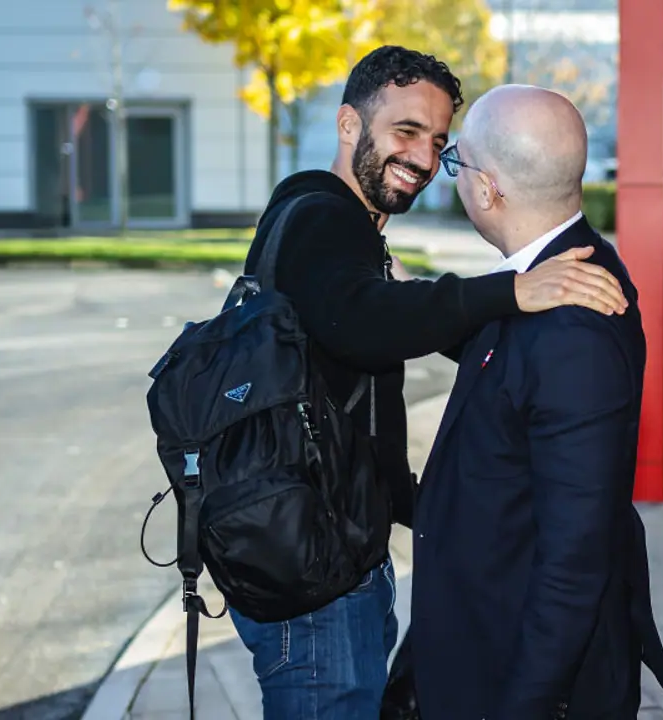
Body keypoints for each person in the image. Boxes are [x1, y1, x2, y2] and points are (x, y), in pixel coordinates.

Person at [231, 47, 630, 719]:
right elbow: (362, 322)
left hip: (322, 553)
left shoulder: (327, 220)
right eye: (406, 131)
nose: (423, 156)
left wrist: (434, 508)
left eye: (440, 142)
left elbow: (364, 368)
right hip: (314, 575)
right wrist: (511, 291)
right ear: (349, 125)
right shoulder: (324, 218)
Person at [408, 84, 663, 719]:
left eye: (456, 162)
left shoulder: (574, 319)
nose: (453, 176)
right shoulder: (555, 274)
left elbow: (575, 559)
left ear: (488, 189)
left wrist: (527, 705)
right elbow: (504, 361)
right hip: (486, 644)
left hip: (518, 675)